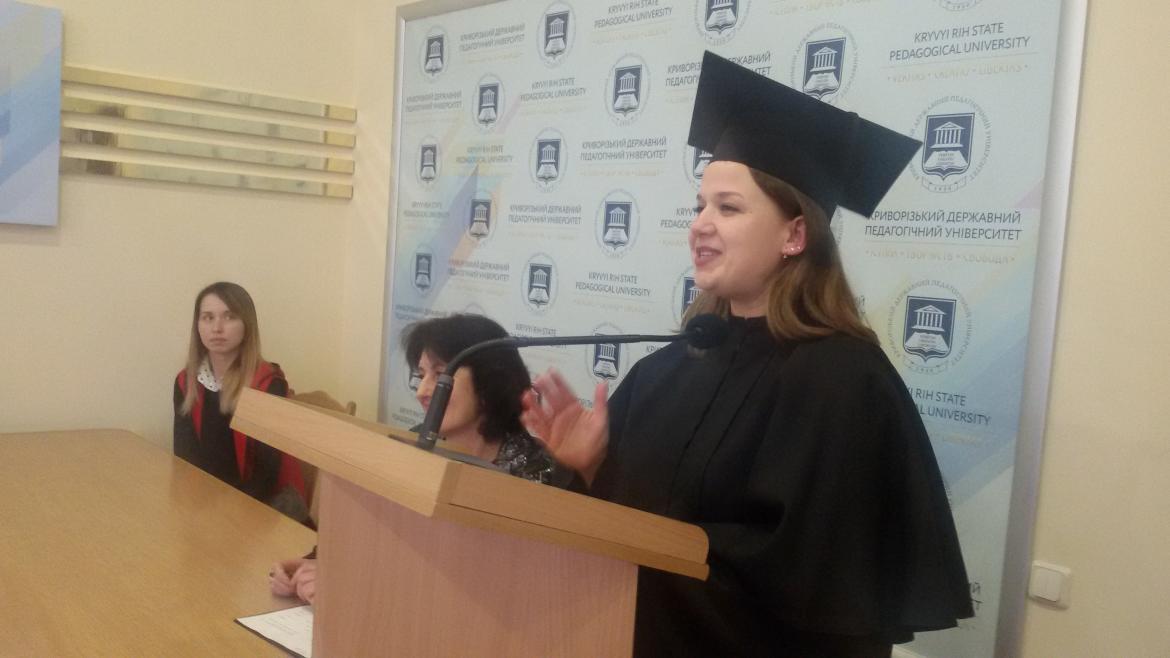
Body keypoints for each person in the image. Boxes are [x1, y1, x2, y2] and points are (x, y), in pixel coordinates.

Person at [520, 52, 973, 657]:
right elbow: (636, 528)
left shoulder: (843, 383)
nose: (699, 225)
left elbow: (815, 589)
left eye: (728, 208)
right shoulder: (671, 367)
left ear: (795, 234)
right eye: (699, 206)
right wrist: (592, 466)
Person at [270, 313, 570, 603]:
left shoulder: (535, 473)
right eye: (421, 375)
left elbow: (488, 583)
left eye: (440, 375)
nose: (423, 391)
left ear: (489, 383)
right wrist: (316, 563)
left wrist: (354, 582)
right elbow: (373, 528)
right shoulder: (413, 445)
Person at [174, 281, 308, 519]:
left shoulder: (267, 384)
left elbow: (267, 474)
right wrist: (197, 508)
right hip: (205, 507)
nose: (217, 328)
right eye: (208, 317)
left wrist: (227, 514)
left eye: (229, 317)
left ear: (247, 325)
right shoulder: (187, 382)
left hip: (262, 507)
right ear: (198, 326)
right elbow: (184, 458)